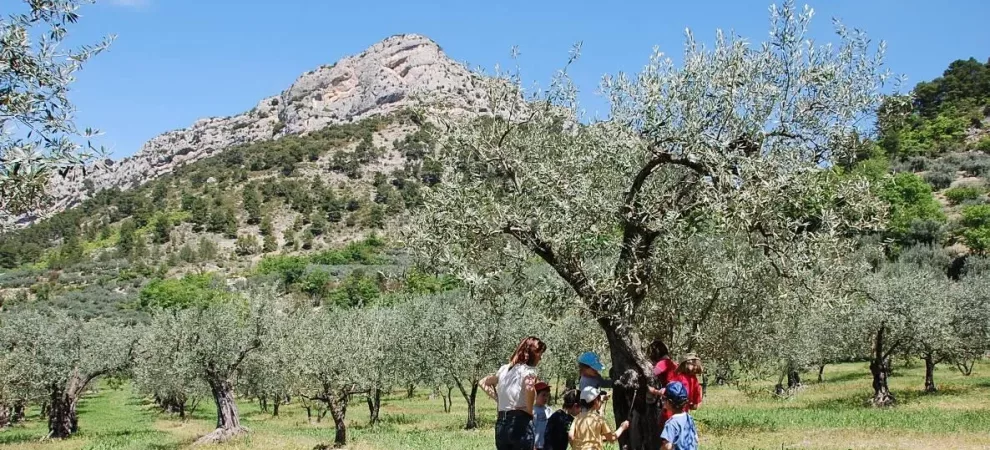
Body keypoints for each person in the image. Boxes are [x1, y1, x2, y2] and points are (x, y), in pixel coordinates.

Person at [479, 336, 548, 450]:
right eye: (539, 353)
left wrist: (499, 399)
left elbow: (483, 382)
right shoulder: (528, 371)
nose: (540, 358)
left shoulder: (504, 369)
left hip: (502, 425)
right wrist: (529, 411)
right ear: (532, 353)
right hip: (520, 424)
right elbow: (529, 388)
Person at [568, 386, 630, 450]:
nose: (601, 400)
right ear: (595, 401)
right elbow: (612, 438)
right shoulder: (599, 419)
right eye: (600, 398)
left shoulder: (578, 418)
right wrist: (622, 427)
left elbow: (570, 436)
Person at [660, 381, 698, 450]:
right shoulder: (689, 418)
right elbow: (695, 439)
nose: (663, 401)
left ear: (669, 402)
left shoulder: (671, 423)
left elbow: (667, 446)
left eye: (664, 399)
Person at [533, 381, 553, 450]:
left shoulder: (549, 410)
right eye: (543, 395)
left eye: (547, 395)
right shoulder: (533, 410)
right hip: (536, 445)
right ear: (535, 395)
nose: (546, 398)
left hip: (547, 444)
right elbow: (531, 428)